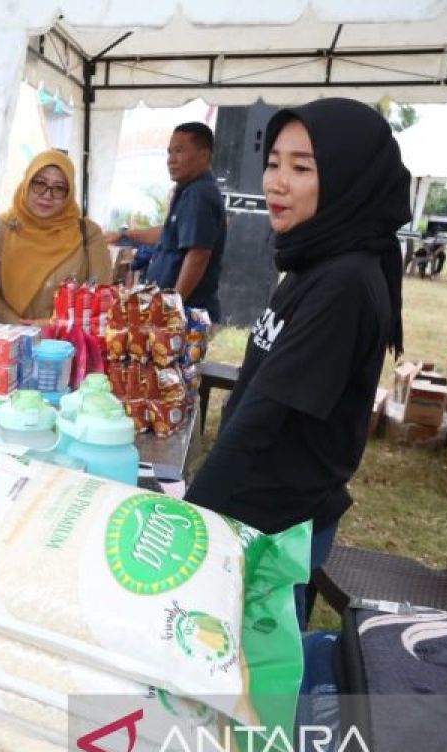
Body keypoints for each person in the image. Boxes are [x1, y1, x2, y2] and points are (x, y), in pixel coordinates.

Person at [184, 98, 410, 627]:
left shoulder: (345, 282)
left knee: (254, 681)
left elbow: (265, 417)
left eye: (302, 168)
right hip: (263, 509)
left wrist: (191, 518)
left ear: (349, 177)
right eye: (274, 163)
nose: (276, 182)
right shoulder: (316, 258)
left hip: (276, 525)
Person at [108, 122, 226, 321]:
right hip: (174, 309)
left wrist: (171, 309)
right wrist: (124, 234)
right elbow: (168, 233)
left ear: (204, 155)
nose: (171, 160)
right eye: (169, 152)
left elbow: (198, 254)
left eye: (179, 151)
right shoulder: (188, 190)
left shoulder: (199, 194)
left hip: (186, 313)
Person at [0, 150, 112, 325]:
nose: (47, 195)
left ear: (69, 193)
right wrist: (16, 324)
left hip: (66, 346)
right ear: (26, 183)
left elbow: (101, 298)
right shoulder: (1, 228)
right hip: (5, 340)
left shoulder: (88, 233)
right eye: (39, 183)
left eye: (59, 188)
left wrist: (53, 325)